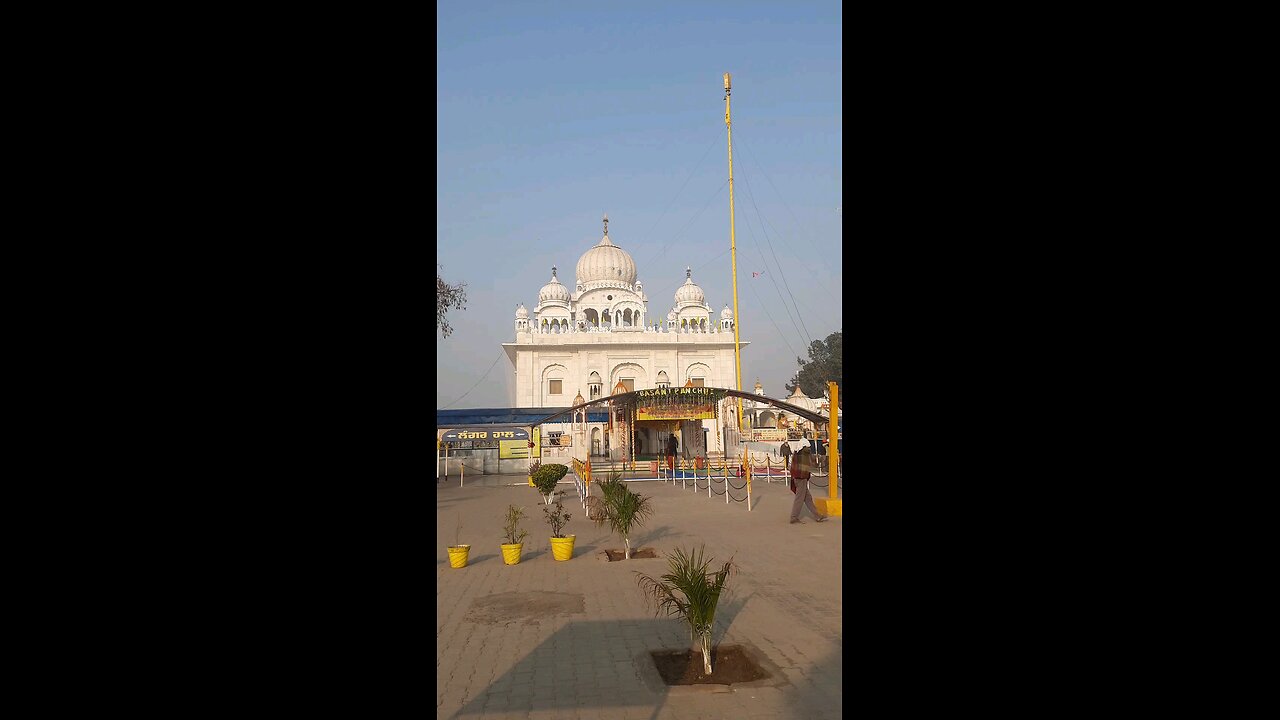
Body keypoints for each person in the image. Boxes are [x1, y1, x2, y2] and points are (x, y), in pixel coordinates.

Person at [789, 446, 827, 524]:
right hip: (802, 479)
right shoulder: (806, 454)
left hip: (797, 477)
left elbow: (793, 467)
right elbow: (814, 464)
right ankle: (794, 517)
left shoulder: (796, 453)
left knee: (808, 498)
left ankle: (817, 516)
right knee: (799, 498)